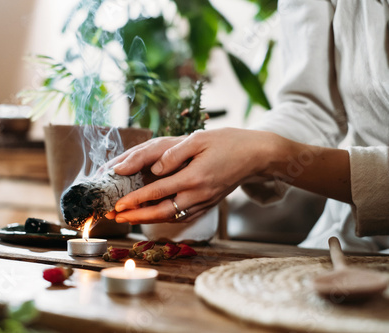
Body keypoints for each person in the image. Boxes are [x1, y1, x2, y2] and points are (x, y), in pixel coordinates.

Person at [107, 0, 389, 252]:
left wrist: (268, 155)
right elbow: (311, 108)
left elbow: (273, 151)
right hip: (348, 240)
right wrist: (233, 148)